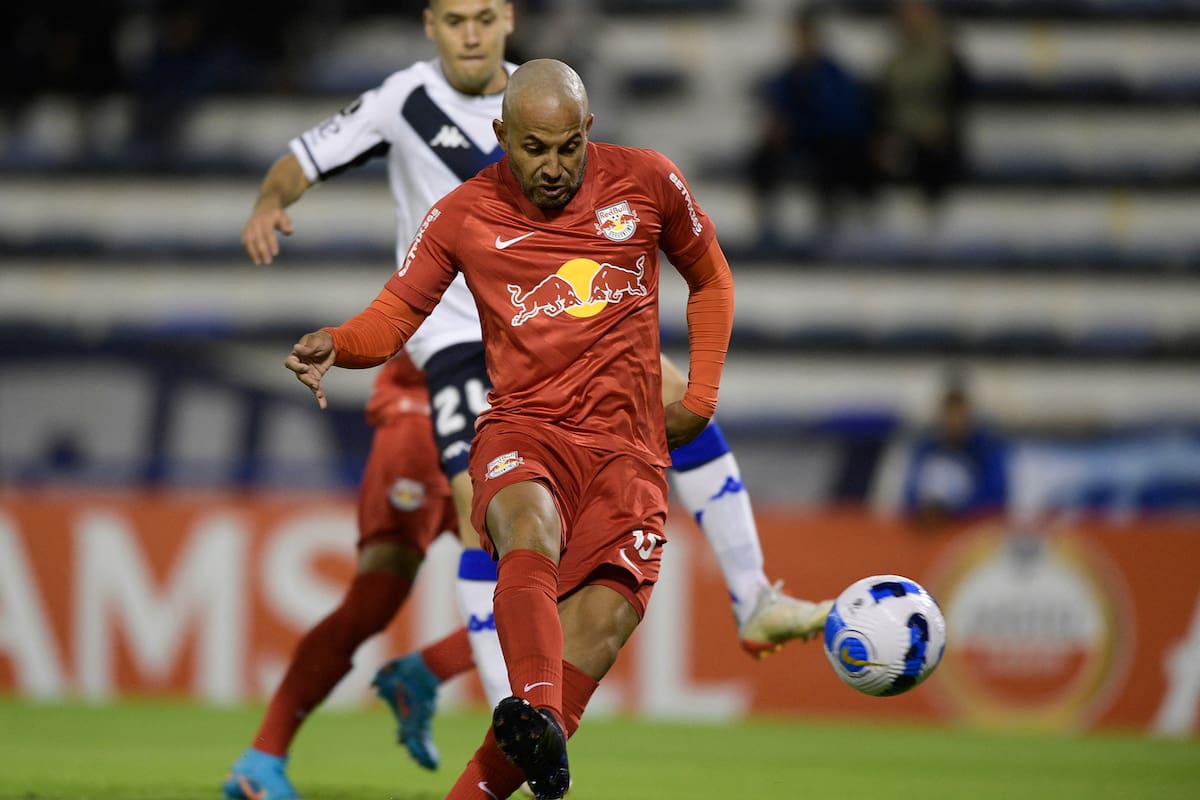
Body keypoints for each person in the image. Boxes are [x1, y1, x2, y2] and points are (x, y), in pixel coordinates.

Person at [232, 1, 829, 794]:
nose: (553, 166)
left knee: (603, 619)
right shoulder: (452, 189)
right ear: (502, 140)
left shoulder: (646, 180)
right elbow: (395, 308)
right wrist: (336, 342)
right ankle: (530, 709)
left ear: (589, 127)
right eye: (535, 150)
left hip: (624, 451)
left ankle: (552, 712)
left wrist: (706, 396)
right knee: (514, 524)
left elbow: (711, 278)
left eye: (569, 147)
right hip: (503, 406)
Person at [747, 6, 876, 248]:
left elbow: (842, 119)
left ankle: (829, 224)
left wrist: (795, 126)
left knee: (835, 157)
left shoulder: (834, 75)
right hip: (800, 141)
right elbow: (776, 107)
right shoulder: (788, 75)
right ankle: (767, 223)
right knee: (762, 156)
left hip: (826, 141)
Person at [875, 0, 971, 215]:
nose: (910, 19)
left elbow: (959, 98)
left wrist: (943, 127)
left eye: (916, 12)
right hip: (903, 133)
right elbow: (884, 101)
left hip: (935, 135)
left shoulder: (946, 53)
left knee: (933, 156)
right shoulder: (894, 56)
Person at [902, 374, 1008, 528]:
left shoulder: (986, 448)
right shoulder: (926, 448)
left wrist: (952, 510)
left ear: (969, 414)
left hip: (970, 534)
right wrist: (924, 509)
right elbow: (909, 496)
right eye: (949, 414)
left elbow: (996, 499)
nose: (954, 422)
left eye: (959, 414)